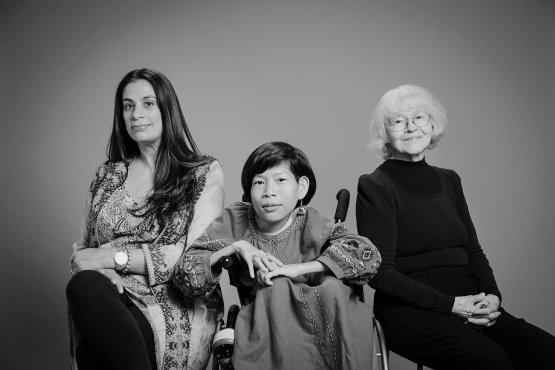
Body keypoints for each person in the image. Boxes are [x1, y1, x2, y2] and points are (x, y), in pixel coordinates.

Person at [356, 84, 555, 370]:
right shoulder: (375, 186)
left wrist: (491, 296)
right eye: (398, 121)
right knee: (492, 362)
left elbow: (473, 250)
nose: (411, 127)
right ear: (385, 132)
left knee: (546, 353)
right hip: (410, 310)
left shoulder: (450, 179)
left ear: (432, 124)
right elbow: (380, 273)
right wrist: (450, 305)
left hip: (470, 301)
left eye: (419, 118)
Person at [172, 141, 381, 370]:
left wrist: (301, 268)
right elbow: (185, 272)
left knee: (332, 288)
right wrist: (237, 247)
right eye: (259, 182)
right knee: (278, 287)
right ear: (249, 191)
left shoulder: (310, 221)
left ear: (301, 187)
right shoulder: (236, 219)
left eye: (280, 180)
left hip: (326, 318)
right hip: (267, 324)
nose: (269, 191)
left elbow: (367, 256)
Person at [66, 68, 224, 370]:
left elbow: (194, 259)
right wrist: (100, 271)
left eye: (148, 103)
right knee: (83, 286)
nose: (136, 113)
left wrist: (111, 258)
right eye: (128, 105)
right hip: (106, 295)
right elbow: (81, 253)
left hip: (173, 303)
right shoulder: (107, 175)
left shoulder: (201, 174)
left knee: (92, 355)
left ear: (167, 108)